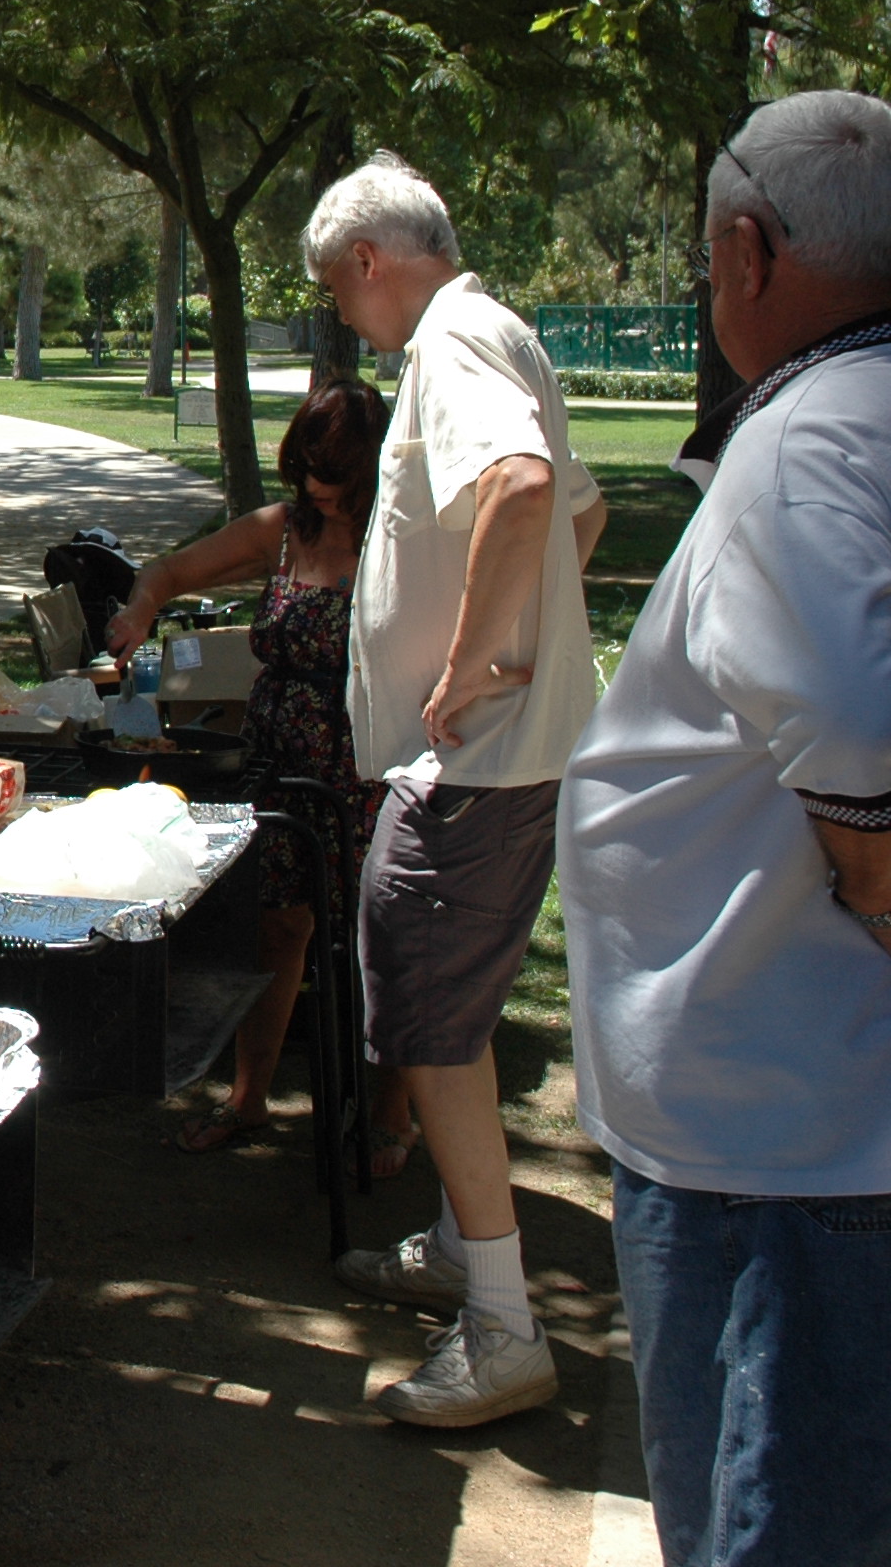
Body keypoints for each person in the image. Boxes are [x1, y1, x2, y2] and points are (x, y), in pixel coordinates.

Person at [558, 90, 891, 1567]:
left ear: (748, 253)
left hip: (787, 1157)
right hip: (805, 1134)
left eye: (705, 265)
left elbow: (861, 737)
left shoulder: (807, 441)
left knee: (773, 1525)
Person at [305, 154, 608, 1430]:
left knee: (425, 1026)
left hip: (473, 771)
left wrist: (479, 661)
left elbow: (529, 490)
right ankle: (456, 1244)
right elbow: (580, 515)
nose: (339, 312)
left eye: (333, 289)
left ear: (368, 261)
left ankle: (500, 1328)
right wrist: (511, 623)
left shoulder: (448, 342)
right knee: (455, 1019)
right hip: (495, 760)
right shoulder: (495, 331)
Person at [107, 379, 419, 1170]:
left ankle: (391, 1113)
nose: (317, 481)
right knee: (277, 929)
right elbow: (168, 571)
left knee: (386, 943)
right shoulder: (281, 532)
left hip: (371, 770)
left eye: (336, 466)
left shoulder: (404, 537)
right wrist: (140, 610)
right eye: (308, 461)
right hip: (281, 768)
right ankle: (248, 1098)